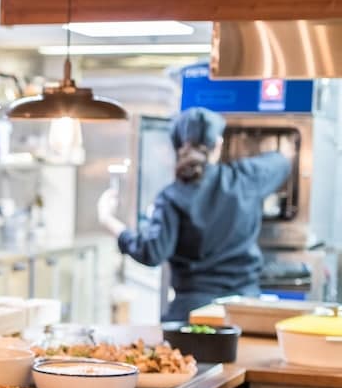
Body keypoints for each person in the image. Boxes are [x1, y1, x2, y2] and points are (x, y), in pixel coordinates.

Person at [97, 107, 292, 322]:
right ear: (218, 144)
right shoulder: (245, 179)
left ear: (177, 148)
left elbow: (151, 253)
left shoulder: (171, 197)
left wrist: (108, 220)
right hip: (242, 311)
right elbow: (282, 162)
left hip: (192, 313)